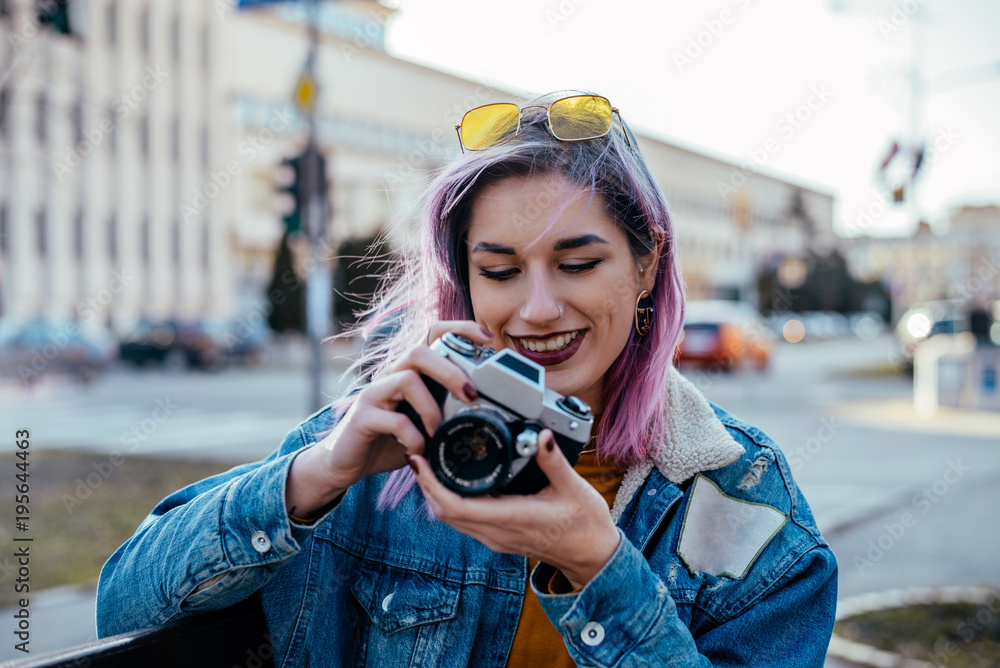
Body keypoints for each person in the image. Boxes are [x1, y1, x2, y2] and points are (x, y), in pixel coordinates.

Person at [97, 91, 838, 666]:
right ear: (465, 280)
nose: (538, 308)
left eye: (578, 264)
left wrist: (599, 566)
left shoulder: (740, 501)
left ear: (647, 265)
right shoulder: (387, 444)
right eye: (500, 270)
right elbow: (122, 608)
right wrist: (315, 475)